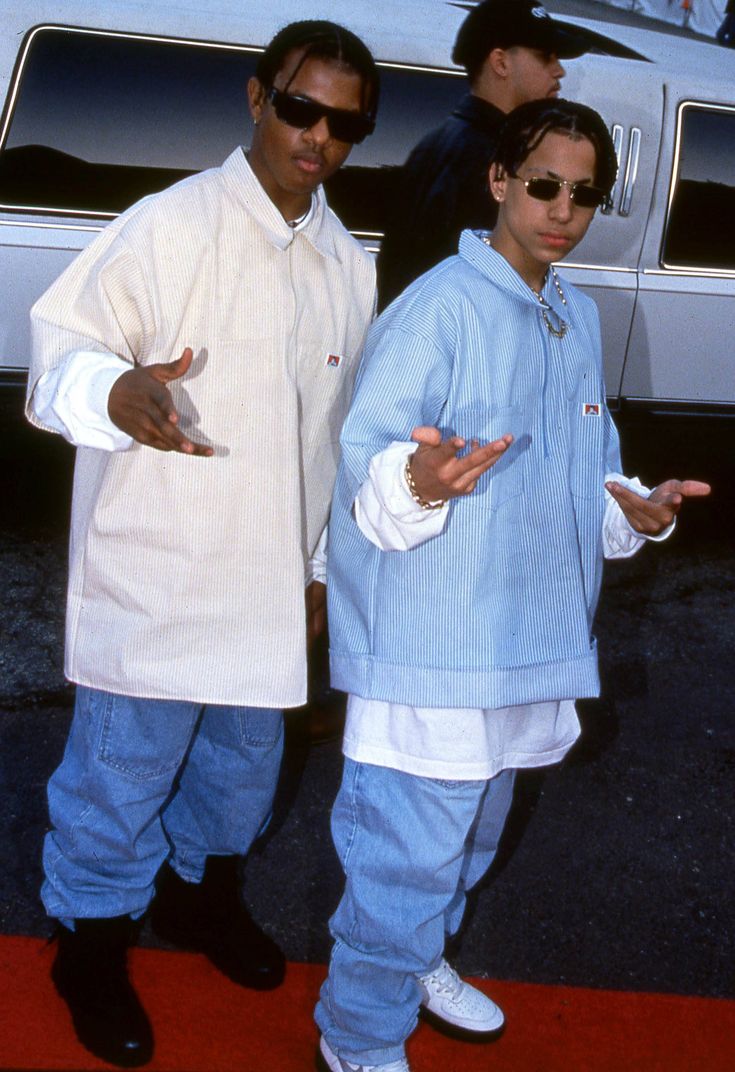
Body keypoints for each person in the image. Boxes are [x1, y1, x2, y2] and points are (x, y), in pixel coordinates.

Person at [315, 98, 710, 1072]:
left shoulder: (575, 315)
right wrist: (416, 480)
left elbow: (594, 468)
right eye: (543, 184)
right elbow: (364, 463)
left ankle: (421, 960)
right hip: (429, 645)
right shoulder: (438, 306)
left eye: (583, 193)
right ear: (498, 180)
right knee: (402, 861)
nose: (562, 209)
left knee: (473, 840)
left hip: (525, 645)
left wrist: (637, 510)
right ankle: (358, 1033)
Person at [25, 19, 379, 1069]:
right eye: (301, 108)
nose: (317, 137)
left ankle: (197, 899)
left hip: (266, 581)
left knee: (241, 774)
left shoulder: (345, 261)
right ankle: (87, 943)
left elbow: (331, 431)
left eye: (344, 124)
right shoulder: (164, 226)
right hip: (161, 567)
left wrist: (317, 570)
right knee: (119, 776)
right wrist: (118, 390)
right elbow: (59, 359)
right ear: (257, 97)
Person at [376, 0, 593, 309]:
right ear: (501, 63)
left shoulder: (434, 144)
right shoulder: (499, 162)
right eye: (545, 56)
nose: (559, 70)